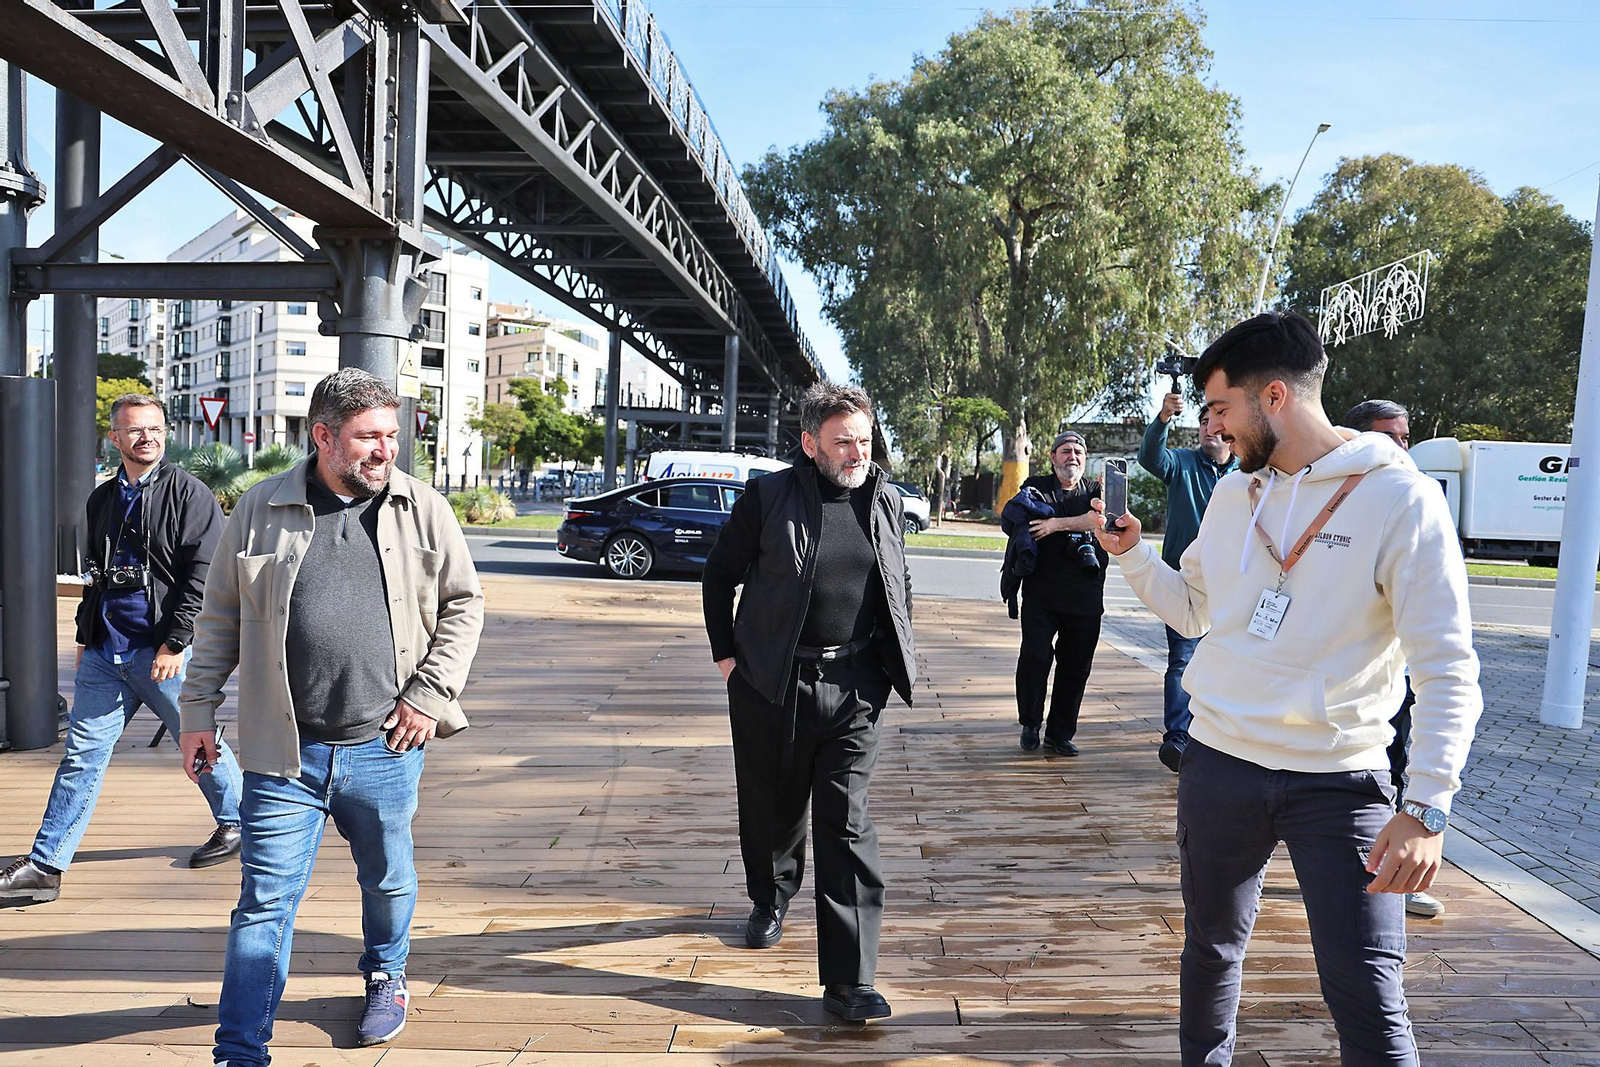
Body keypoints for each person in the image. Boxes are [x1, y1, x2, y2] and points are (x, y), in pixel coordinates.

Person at [1094, 313, 1481, 1066]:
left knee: (1368, 991)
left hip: (1341, 784)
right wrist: (1134, 553)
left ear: (1273, 397)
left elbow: (1448, 665)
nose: (1213, 428)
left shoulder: (1400, 499)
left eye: (1220, 409)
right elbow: (1195, 609)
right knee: (1209, 953)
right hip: (1218, 765)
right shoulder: (1237, 495)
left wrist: (1427, 803)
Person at [178, 368, 485, 1064]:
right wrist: (197, 711)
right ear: (323, 436)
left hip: (386, 743)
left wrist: (428, 697)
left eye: (391, 435)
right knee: (262, 905)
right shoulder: (259, 508)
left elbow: (465, 603)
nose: (386, 450)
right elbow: (220, 615)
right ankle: (240, 1049)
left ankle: (385, 971)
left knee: (388, 879)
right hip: (284, 751)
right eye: (367, 437)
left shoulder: (423, 507)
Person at [701, 381, 915, 1023]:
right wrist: (727, 656)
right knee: (774, 806)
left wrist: (886, 665)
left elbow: (895, 580)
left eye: (865, 438)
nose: (858, 452)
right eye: (842, 441)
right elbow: (719, 574)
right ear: (809, 444)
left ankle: (850, 981)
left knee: (847, 825)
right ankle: (770, 896)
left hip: (855, 688)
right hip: (773, 683)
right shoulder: (769, 496)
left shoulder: (884, 497)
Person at [0, 394, 243, 908]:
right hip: (104, 652)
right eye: (134, 430)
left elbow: (206, 576)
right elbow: (99, 570)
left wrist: (177, 641)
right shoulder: (102, 498)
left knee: (199, 745)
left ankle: (237, 822)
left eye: (155, 428)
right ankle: (46, 867)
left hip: (163, 652)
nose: (147, 437)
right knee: (81, 759)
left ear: (166, 433)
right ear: (115, 438)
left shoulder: (190, 494)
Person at [1343, 399, 1439, 921]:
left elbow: (1449, 657)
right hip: (1340, 703)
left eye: (1404, 437)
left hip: (1397, 681)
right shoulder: (1334, 500)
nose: (1399, 448)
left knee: (1396, 774)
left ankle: (1394, 879)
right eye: (1386, 436)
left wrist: (1430, 812)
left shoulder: (1415, 499)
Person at [1139, 393, 1238, 773]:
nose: (1209, 428)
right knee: (1182, 658)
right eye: (1202, 422)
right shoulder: (1181, 464)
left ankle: (1220, 738)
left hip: (1238, 583)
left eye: (1217, 419)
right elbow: (1151, 457)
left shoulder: (1249, 471)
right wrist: (1164, 417)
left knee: (1233, 659)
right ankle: (1178, 739)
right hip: (1186, 582)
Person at [1009, 430, 1107, 757]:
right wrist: (1079, 522)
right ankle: (1030, 722)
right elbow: (1022, 513)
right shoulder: (1035, 487)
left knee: (1076, 666)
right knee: (1035, 658)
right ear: (1053, 458)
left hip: (1086, 596)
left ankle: (1060, 734)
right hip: (1041, 594)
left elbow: (1099, 520)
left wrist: (1053, 525)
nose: (1072, 457)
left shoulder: (1095, 490)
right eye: (1065, 451)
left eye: (1078, 451)